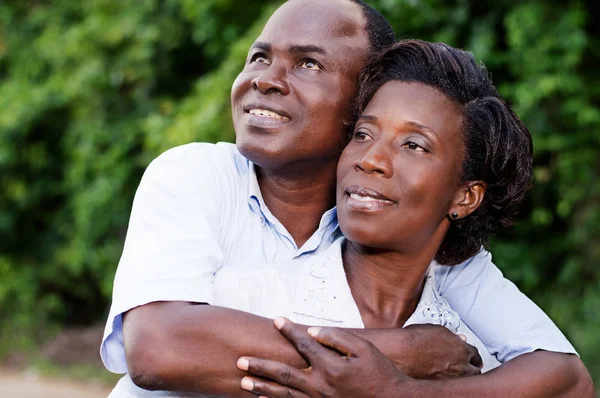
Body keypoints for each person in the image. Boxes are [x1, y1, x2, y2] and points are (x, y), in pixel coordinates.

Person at [100, 0, 593, 397]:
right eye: (258, 56)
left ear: (361, 98)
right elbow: (161, 345)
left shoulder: (426, 251)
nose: (265, 80)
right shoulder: (201, 181)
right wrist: (395, 357)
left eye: (307, 63)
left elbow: (565, 377)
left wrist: (398, 390)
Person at [226, 38, 551, 396]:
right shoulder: (245, 299)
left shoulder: (470, 362)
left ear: (465, 196)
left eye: (413, 145)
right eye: (363, 134)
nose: (370, 159)